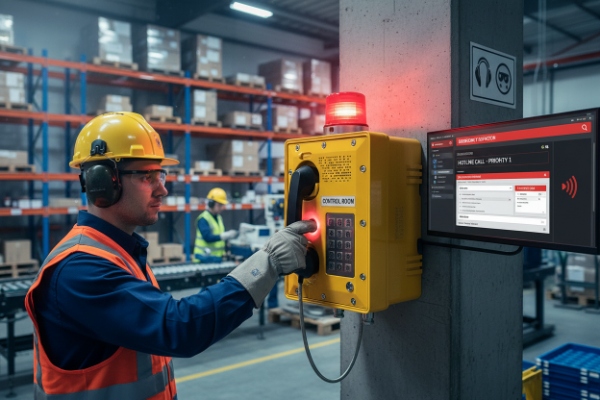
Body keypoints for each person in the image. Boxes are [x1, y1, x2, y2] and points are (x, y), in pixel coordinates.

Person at [24, 112, 316, 399]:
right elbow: (180, 328)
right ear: (104, 182)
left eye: (161, 174)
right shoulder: (80, 270)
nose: (162, 188)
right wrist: (268, 261)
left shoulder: (120, 252)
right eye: (147, 176)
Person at [193, 187, 238, 263]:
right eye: (219, 205)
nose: (222, 208)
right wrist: (223, 236)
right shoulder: (203, 219)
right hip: (203, 258)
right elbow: (207, 237)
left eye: (222, 205)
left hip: (215, 258)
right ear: (211, 204)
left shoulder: (219, 218)